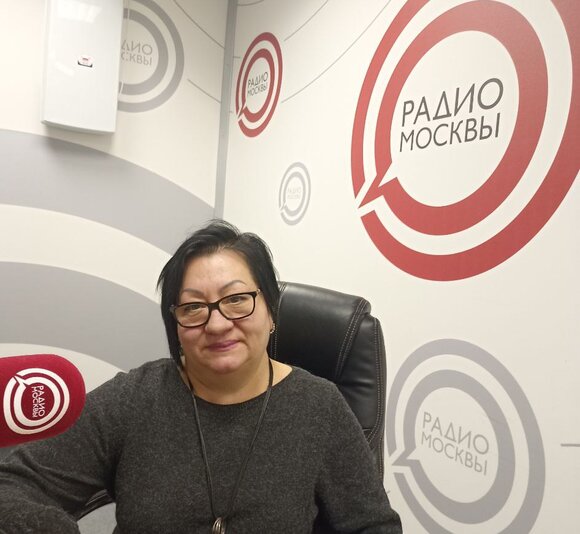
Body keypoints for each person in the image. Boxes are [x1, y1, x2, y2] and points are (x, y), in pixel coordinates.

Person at [0, 220, 402, 533]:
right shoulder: (133, 399)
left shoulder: (320, 407)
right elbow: (13, 484)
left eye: (237, 299)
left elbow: (374, 525)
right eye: (193, 307)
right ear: (175, 325)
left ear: (271, 310)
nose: (217, 324)